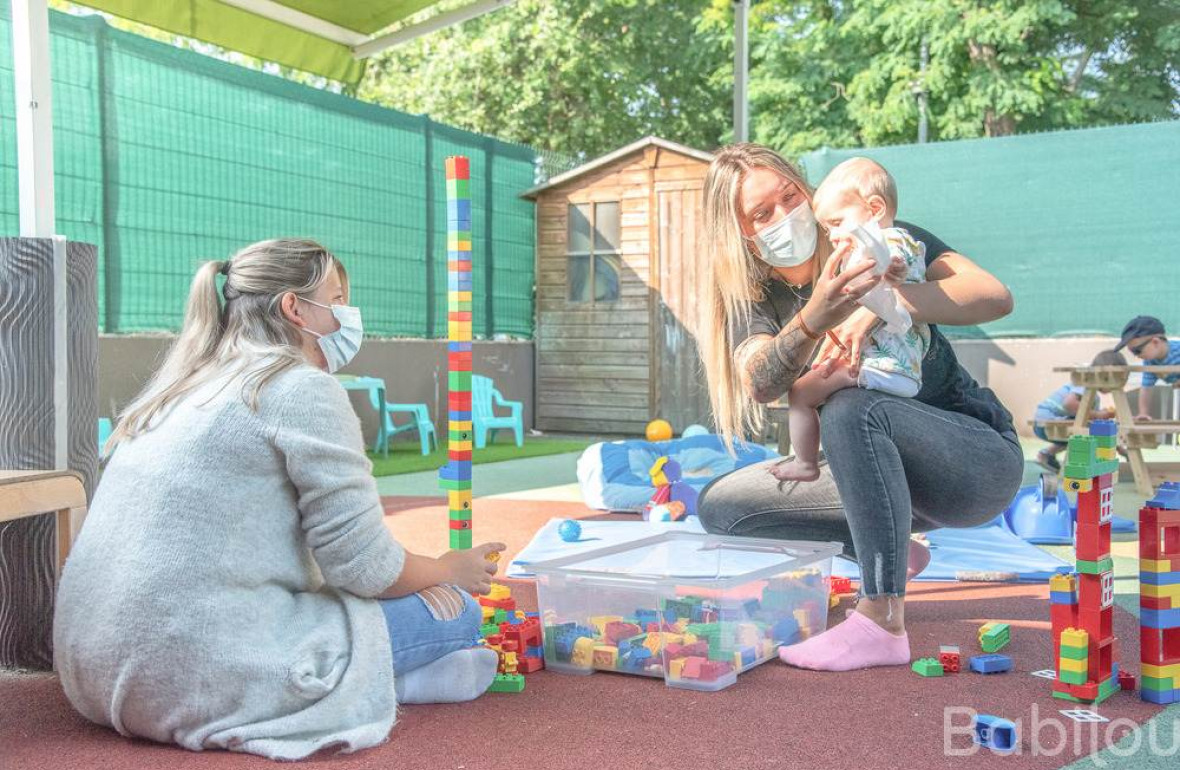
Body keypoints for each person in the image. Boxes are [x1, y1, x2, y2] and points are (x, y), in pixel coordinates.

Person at [54, 239, 503, 760]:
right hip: (190, 678)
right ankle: (369, 687)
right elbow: (365, 570)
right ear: (294, 307)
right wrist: (448, 569)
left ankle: (371, 678)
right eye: (336, 299)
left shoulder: (181, 386)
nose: (347, 316)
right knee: (459, 614)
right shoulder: (297, 389)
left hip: (89, 674)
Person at [696, 144, 1023, 672]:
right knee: (723, 506)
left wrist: (884, 304)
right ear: (743, 237)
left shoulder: (872, 233)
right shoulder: (756, 300)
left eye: (789, 195)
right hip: (877, 470)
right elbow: (760, 380)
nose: (786, 215)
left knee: (851, 407)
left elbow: (992, 295)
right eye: (762, 213)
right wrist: (817, 317)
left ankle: (881, 620)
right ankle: (892, 553)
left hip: (975, 462)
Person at [769, 157, 930, 482]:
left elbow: (897, 260)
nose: (832, 235)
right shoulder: (864, 249)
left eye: (838, 222)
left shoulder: (886, 240)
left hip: (885, 366)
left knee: (801, 393)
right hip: (895, 367)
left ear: (874, 209)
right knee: (819, 382)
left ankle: (805, 462)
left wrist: (893, 270)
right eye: (827, 228)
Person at [1033, 350, 1122, 472]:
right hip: (1048, 421)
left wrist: (1100, 414)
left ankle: (1046, 454)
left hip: (1046, 421)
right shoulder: (1086, 383)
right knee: (1085, 432)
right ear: (1105, 376)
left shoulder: (1093, 395)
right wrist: (1097, 414)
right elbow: (1069, 404)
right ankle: (1075, 468)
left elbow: (1086, 414)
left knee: (1084, 428)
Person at [1112, 315, 1180, 420]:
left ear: (1155, 342)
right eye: (1131, 352)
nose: (1136, 355)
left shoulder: (1177, 350)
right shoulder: (1150, 362)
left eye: (1137, 350)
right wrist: (1143, 413)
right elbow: (1146, 388)